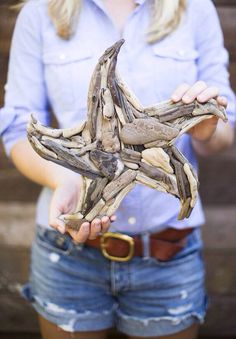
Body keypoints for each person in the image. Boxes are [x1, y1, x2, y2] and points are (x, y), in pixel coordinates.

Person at [0, 0, 235, 338]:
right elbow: (18, 129)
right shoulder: (39, 11)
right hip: (68, 258)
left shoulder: (195, 8)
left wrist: (205, 124)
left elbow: (224, 127)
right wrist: (65, 179)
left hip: (169, 254)